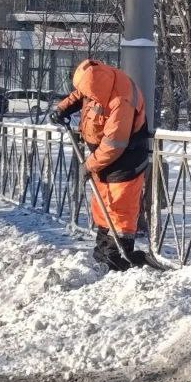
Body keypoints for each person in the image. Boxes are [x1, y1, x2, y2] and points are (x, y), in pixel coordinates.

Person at [49, 59, 152, 271]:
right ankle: (103, 252)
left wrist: (90, 165)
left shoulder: (121, 100)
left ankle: (119, 257)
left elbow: (115, 143)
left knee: (120, 207)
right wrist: (63, 109)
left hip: (126, 158)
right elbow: (81, 94)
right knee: (103, 204)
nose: (86, 95)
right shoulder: (97, 80)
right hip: (103, 157)